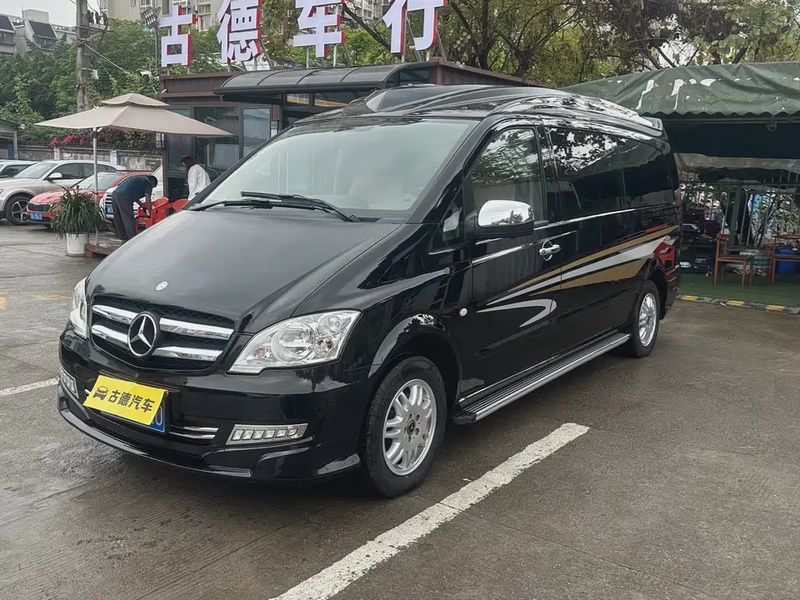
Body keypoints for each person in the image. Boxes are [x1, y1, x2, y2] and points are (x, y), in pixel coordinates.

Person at [111, 174, 158, 242]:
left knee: (118, 217)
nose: (151, 189)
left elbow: (133, 193)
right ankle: (132, 238)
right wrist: (149, 213)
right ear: (152, 182)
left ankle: (123, 236)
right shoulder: (148, 183)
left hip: (115, 193)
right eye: (153, 187)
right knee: (128, 217)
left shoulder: (137, 179)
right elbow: (148, 200)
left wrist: (141, 205)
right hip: (124, 196)